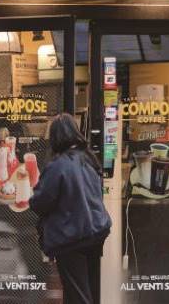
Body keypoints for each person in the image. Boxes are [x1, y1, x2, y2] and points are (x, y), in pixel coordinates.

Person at [29, 113, 112, 304]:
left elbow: (40, 202)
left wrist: (33, 194)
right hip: (96, 232)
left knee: (77, 293)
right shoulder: (88, 159)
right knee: (86, 290)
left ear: (55, 138)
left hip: (72, 236)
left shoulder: (58, 165)